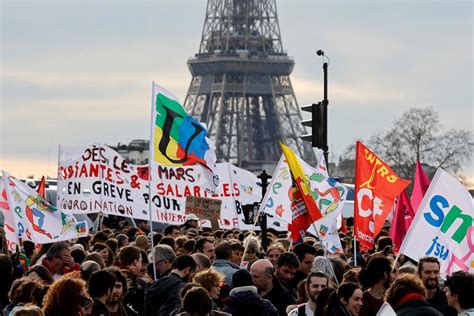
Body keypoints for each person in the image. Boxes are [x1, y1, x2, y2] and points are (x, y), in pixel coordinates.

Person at [117, 246, 144, 315]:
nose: (141, 263)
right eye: (140, 260)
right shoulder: (128, 278)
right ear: (135, 262)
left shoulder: (117, 274)